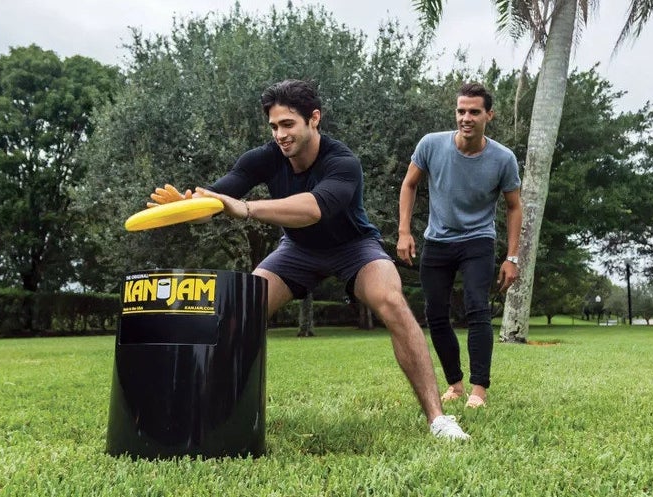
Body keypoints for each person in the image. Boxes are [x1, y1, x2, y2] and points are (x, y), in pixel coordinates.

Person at [149, 79, 469, 440]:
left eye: (288, 125)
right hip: (298, 250)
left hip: (354, 247)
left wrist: (248, 208)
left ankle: (438, 420)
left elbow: (314, 209)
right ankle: (211, 412)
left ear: (313, 119)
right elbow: (218, 201)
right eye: (273, 126)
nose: (280, 135)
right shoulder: (262, 159)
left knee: (391, 301)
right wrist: (188, 207)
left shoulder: (343, 161)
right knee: (239, 312)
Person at [397, 82, 522, 409]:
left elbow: (514, 206)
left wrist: (512, 257)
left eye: (474, 112)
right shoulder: (431, 145)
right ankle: (455, 384)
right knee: (435, 313)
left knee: (477, 308)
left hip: (478, 240)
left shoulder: (503, 159)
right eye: (461, 111)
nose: (466, 117)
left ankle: (479, 390)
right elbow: (409, 184)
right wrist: (404, 231)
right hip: (437, 241)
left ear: (489, 115)